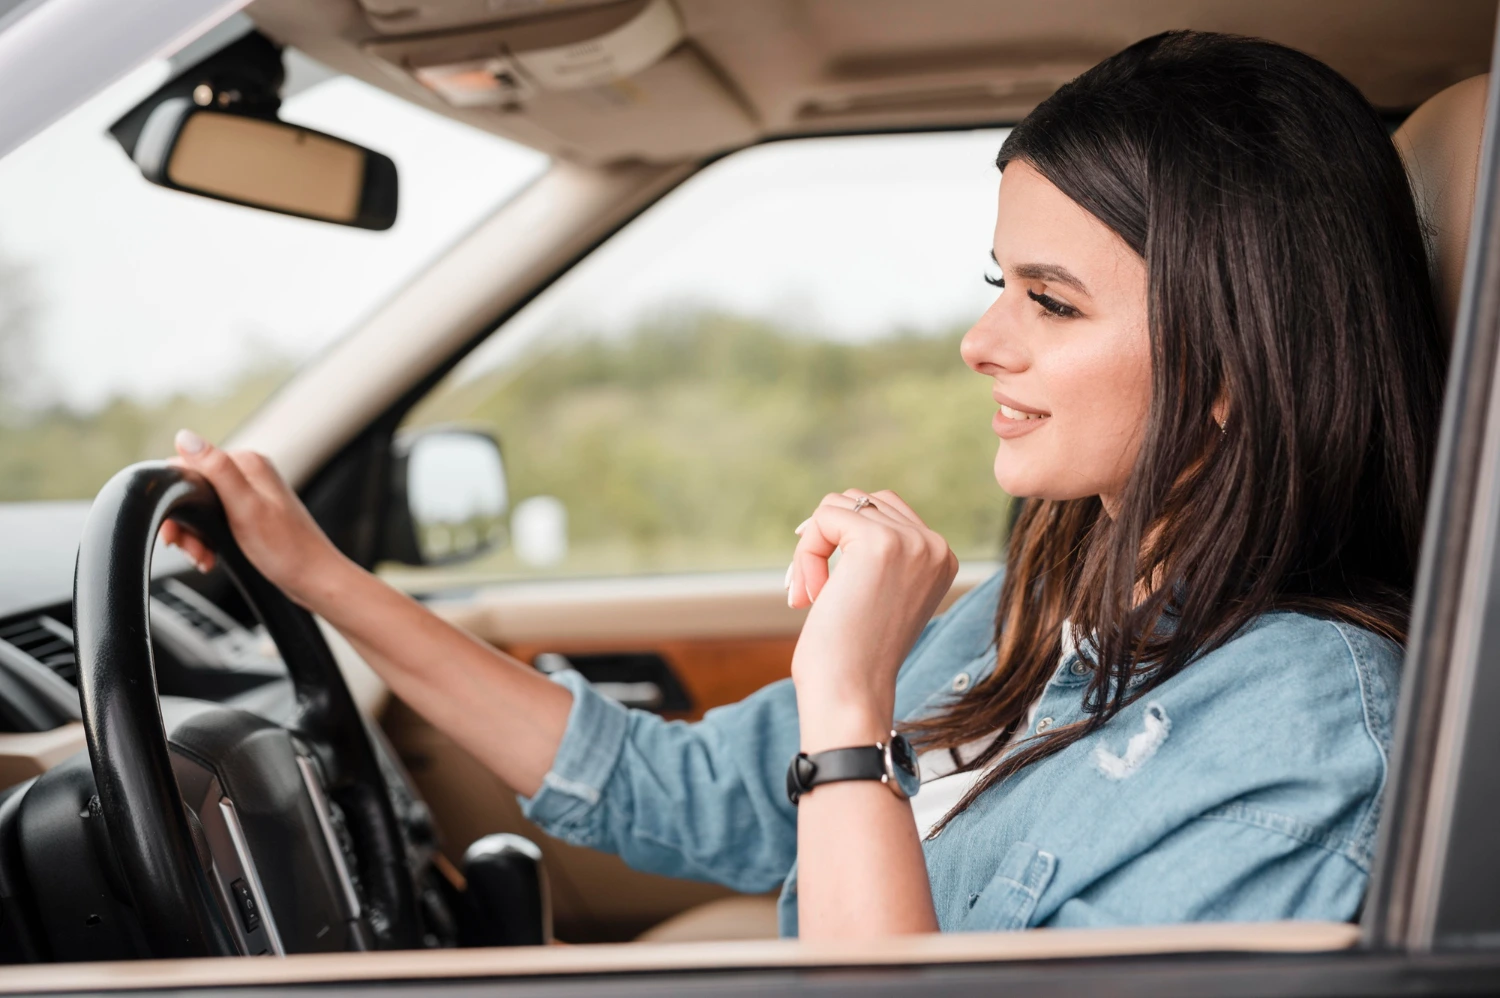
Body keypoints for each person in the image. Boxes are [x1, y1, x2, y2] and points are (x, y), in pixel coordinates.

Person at [162, 31, 1446, 938]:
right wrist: (320, 578)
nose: (983, 341)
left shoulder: (1311, 734)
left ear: (1238, 360)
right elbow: (673, 793)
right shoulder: (1041, 605)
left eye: (1052, 302)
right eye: (997, 284)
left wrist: (847, 706)